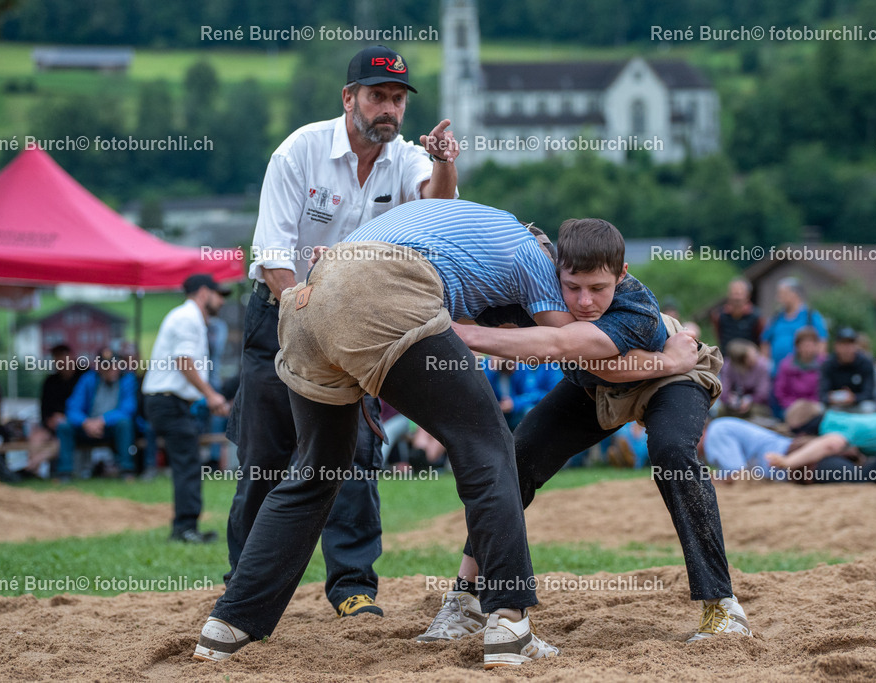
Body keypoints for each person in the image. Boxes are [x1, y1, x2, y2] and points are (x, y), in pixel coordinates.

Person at [192, 201, 691, 668]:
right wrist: (668, 359)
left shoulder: (462, 226)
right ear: (553, 258)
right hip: (383, 291)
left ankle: (230, 623)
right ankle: (510, 619)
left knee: (315, 471)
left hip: (306, 303)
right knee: (489, 447)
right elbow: (573, 344)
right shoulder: (533, 258)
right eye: (571, 286)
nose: (579, 298)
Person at [415, 217, 750, 647]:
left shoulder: (637, 309)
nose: (585, 300)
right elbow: (469, 297)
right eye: (572, 287)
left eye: (598, 288)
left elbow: (557, 345)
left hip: (669, 379)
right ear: (557, 272)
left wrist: (458, 333)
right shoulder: (539, 285)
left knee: (672, 454)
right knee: (517, 459)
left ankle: (723, 605)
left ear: (621, 275)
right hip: (596, 385)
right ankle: (467, 599)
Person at [224, 44, 460, 618]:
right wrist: (303, 308)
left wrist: (446, 159)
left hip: (355, 328)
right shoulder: (298, 151)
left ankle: (352, 588)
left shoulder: (404, 157)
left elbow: (438, 203)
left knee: (354, 454)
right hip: (280, 313)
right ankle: (245, 588)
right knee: (266, 455)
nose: (390, 109)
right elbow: (274, 253)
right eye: (378, 95)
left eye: (399, 99)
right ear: (349, 98)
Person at [143, 274, 231, 543]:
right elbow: (184, 362)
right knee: (188, 463)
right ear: (204, 293)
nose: (221, 301)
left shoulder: (189, 318)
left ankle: (185, 526)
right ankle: (185, 529)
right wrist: (211, 396)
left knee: (187, 462)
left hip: (171, 401)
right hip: (167, 401)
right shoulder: (187, 318)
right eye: (218, 295)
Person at [702, 416, 876, 484]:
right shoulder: (718, 431)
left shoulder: (714, 433)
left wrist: (788, 462)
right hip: (799, 460)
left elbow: (736, 476)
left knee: (863, 478)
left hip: (801, 460)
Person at [55, 348, 137, 480]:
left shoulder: (127, 379)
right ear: (98, 367)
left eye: (114, 365)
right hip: (87, 427)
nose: (111, 369)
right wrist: (85, 422)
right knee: (64, 425)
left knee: (125, 423)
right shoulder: (88, 379)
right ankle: (64, 473)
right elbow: (72, 408)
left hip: (111, 427)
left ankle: (127, 470)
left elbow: (128, 409)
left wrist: (103, 420)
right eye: (106, 366)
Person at [22, 345, 82, 474]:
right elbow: (44, 409)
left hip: (73, 425)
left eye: (63, 358)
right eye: (57, 358)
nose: (60, 362)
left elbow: (84, 407)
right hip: (52, 425)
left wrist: (64, 417)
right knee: (36, 437)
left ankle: (31, 465)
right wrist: (49, 420)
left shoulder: (83, 378)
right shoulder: (50, 381)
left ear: (72, 357)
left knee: (60, 440)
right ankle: (34, 473)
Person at [760, 277, 827, 374]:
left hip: (803, 374)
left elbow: (822, 344)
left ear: (794, 294)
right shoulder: (776, 318)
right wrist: (766, 365)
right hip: (776, 374)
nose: (778, 299)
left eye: (781, 294)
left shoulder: (811, 316)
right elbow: (765, 342)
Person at [819, 327, 876, 410]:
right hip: (835, 405)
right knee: (820, 408)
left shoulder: (865, 363)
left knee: (868, 407)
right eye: (843, 344)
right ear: (836, 346)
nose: (847, 348)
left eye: (850, 344)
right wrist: (832, 398)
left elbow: (869, 394)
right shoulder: (828, 365)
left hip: (857, 405)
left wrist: (854, 398)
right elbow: (822, 394)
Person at [772, 326, 825, 412]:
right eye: (805, 345)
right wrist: (794, 405)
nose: (808, 349)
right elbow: (780, 392)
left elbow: (822, 391)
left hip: (815, 408)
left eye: (811, 345)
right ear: (797, 346)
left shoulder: (824, 365)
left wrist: (809, 406)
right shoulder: (786, 365)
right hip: (790, 408)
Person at [719, 339, 771, 417]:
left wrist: (748, 400)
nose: (756, 357)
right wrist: (731, 399)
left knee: (756, 413)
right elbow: (723, 390)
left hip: (755, 403)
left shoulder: (762, 365)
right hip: (734, 401)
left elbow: (763, 393)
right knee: (721, 411)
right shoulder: (728, 366)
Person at [711, 278, 764, 348]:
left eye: (739, 294)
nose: (736, 298)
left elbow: (762, 340)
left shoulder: (756, 316)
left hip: (748, 356)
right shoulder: (719, 315)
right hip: (726, 356)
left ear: (748, 296)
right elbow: (718, 337)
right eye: (734, 293)